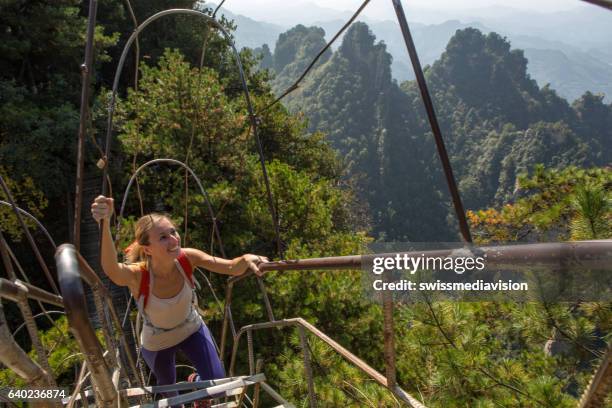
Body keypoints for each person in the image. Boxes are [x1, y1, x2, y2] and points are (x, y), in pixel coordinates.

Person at [91, 195, 267, 406]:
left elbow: (230, 266)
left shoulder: (187, 258)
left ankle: (196, 384)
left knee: (218, 387)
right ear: (147, 249)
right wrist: (105, 222)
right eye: (163, 237)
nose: (174, 240)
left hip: (191, 328)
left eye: (173, 232)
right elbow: (112, 270)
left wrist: (246, 258)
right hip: (158, 342)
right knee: (173, 400)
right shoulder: (139, 275)